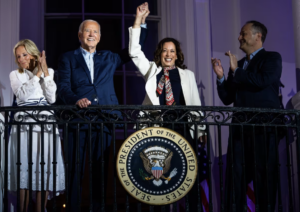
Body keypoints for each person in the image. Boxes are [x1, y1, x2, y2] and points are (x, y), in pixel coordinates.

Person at [57, 3, 148, 211]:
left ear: (99, 36)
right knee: (75, 170)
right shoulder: (68, 58)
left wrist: (139, 21)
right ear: (80, 35)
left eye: (95, 31)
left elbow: (134, 49)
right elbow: (62, 87)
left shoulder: (108, 57)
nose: (91, 34)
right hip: (77, 121)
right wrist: (75, 100)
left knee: (101, 170)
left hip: (105, 119)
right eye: (87, 31)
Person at [128, 7, 206, 210]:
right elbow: (134, 52)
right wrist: (138, 20)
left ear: (177, 55)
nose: (168, 54)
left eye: (172, 51)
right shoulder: (152, 71)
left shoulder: (186, 75)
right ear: (160, 54)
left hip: (182, 129)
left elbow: (195, 105)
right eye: (165, 50)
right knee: (160, 182)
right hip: (158, 130)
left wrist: (201, 131)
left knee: (188, 177)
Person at [211, 21, 282, 212]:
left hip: (265, 128)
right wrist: (220, 77)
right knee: (236, 177)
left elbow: (263, 81)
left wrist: (236, 72)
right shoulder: (239, 64)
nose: (239, 38)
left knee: (264, 176)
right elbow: (227, 98)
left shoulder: (272, 58)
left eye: (243, 33)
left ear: (257, 36)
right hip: (240, 130)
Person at [7, 39, 65, 212]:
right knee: (24, 164)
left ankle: (40, 208)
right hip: (24, 126)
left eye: (24, 55)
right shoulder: (15, 75)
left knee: (44, 164)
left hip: (45, 126)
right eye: (18, 57)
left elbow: (51, 98)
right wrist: (38, 74)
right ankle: (23, 209)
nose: (21, 59)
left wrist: (45, 73)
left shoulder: (49, 72)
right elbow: (23, 97)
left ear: (34, 54)